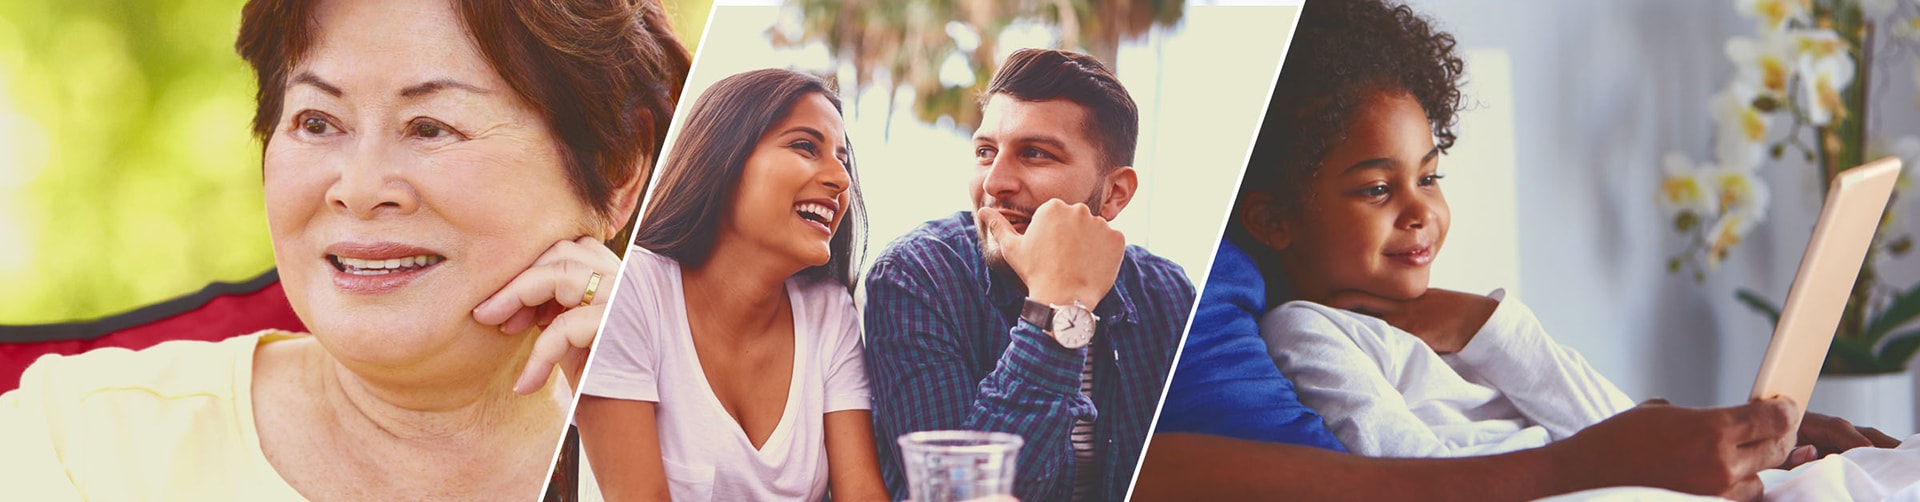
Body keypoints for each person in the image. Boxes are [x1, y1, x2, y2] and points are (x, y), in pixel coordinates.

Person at [1137, 0, 1883, 499]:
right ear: (1272, 222)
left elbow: (1606, 422)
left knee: (1866, 471)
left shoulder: (1429, 320)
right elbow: (1415, 471)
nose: (1420, 212)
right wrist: (1604, 461)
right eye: (1376, 190)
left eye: (1430, 177)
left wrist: (1482, 325)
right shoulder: (1310, 333)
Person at [0, 0, 688, 499]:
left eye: (430, 127)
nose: (358, 190)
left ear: (620, 170)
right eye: (317, 121)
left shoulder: (713, 458)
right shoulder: (83, 439)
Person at [863, 48, 1196, 502]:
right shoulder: (916, 277)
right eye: (985, 152)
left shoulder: (1168, 295)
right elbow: (959, 493)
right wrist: (1058, 305)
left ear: (1115, 193)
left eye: (1035, 153)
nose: (995, 182)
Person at [572, 68, 889, 501]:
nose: (840, 178)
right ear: (725, 156)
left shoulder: (829, 313)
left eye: (843, 159)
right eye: (805, 146)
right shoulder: (632, 291)